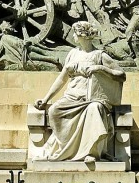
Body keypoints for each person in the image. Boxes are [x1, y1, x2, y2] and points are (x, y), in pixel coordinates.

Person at [34, 21, 126, 162]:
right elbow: (61, 79)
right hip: (72, 97)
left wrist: (101, 69)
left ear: (83, 35)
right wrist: (45, 99)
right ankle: (64, 150)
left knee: (94, 109)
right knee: (54, 111)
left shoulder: (99, 55)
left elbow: (121, 75)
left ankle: (91, 152)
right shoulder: (72, 54)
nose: (74, 37)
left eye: (75, 33)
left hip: (91, 99)